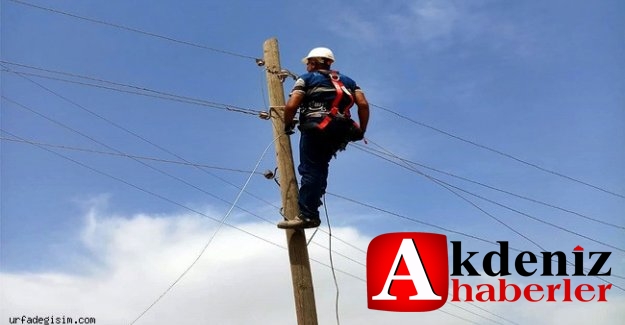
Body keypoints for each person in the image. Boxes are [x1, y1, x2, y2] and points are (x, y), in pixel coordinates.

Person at [277, 47, 370, 229]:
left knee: (310, 169)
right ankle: (313, 201)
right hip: (341, 129)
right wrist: (362, 130)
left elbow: (291, 106)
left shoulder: (307, 78)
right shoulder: (348, 81)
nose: (307, 67)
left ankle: (308, 215)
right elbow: (363, 105)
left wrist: (287, 124)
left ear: (312, 63)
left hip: (316, 127)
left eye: (308, 64)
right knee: (320, 167)